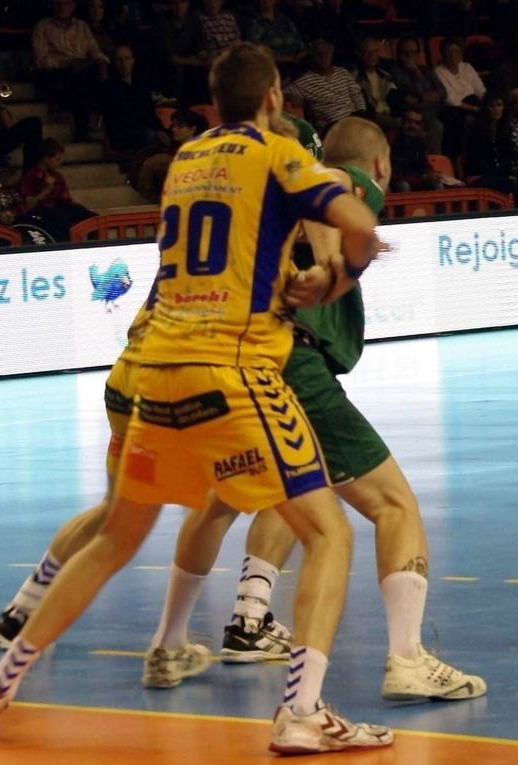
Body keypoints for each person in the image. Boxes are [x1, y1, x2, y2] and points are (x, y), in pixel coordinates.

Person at [0, 42, 393, 755]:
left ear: (212, 103)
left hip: (155, 369)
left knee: (118, 533)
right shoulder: (278, 156)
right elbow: (362, 229)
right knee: (330, 533)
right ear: (276, 97)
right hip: (232, 369)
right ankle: (301, 711)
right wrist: (334, 280)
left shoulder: (185, 162)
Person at [141, 117, 486, 702]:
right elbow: (335, 193)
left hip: (222, 365)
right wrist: (340, 263)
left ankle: (181, 640)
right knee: (394, 505)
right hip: (291, 364)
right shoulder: (343, 176)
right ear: (381, 166)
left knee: (233, 497)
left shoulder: (221, 186)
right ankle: (405, 658)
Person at [32, 0, 110, 141]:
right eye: (59, 3)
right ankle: (82, 130)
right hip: (57, 73)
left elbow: (95, 51)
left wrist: (103, 63)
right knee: (81, 80)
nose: (63, 7)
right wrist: (66, 63)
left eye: (67, 3)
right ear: (54, 5)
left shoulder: (82, 27)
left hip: (83, 69)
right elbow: (41, 61)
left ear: (73, 6)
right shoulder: (42, 27)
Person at [284, 35, 366, 135]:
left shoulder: (343, 73)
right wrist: (289, 95)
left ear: (332, 51)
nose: (323, 57)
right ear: (312, 55)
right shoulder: (304, 82)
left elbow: (357, 96)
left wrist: (361, 113)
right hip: (331, 130)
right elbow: (282, 93)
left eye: (326, 53)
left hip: (353, 121)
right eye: (319, 54)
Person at [18, 137, 96, 241]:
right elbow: (29, 204)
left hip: (61, 207)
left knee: (93, 218)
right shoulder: (31, 176)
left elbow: (65, 198)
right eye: (57, 159)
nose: (60, 162)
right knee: (61, 220)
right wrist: (47, 189)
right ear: (46, 158)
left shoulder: (57, 176)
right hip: (43, 210)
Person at [390, 35, 446, 154]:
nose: (410, 56)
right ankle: (433, 161)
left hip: (433, 111)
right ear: (399, 54)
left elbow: (443, 92)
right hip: (413, 113)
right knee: (436, 127)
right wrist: (416, 74)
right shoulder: (396, 72)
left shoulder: (426, 70)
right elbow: (414, 97)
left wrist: (425, 96)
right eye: (405, 52)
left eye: (413, 52)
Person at [390, 107, 444, 191]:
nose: (412, 126)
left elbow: (424, 164)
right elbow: (393, 174)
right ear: (402, 122)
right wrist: (421, 178)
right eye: (409, 121)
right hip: (397, 181)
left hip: (417, 179)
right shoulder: (392, 139)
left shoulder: (419, 140)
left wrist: (431, 174)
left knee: (437, 184)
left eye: (417, 123)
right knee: (403, 186)